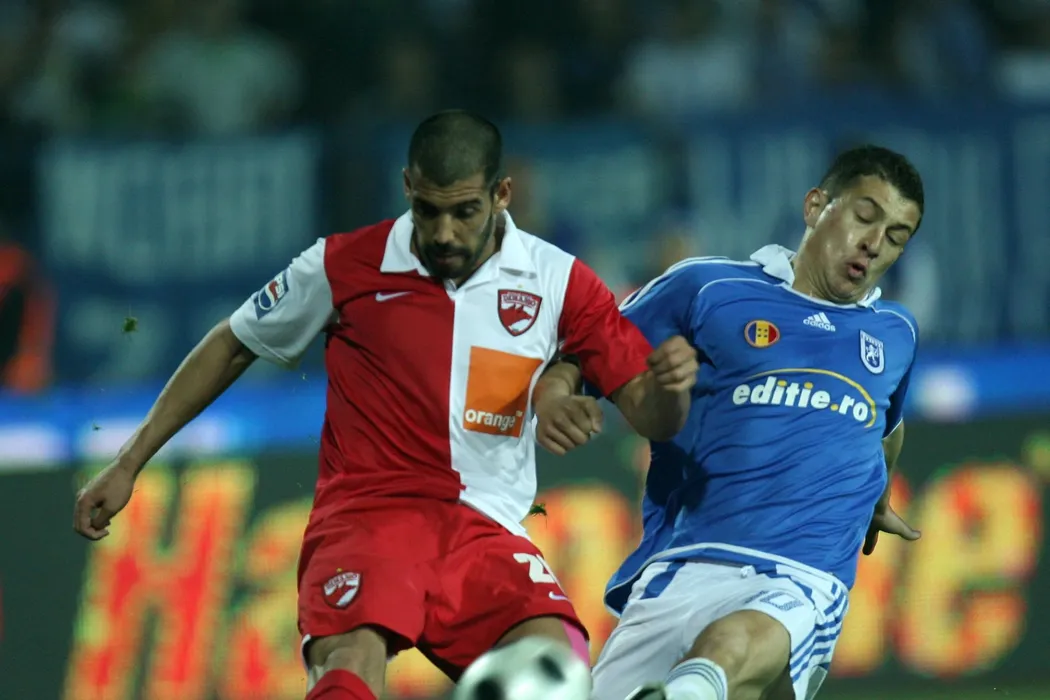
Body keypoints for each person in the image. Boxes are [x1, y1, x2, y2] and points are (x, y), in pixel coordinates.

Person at [71, 110, 699, 700]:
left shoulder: (560, 281)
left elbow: (648, 412)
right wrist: (129, 461)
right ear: (406, 187)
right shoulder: (343, 264)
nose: (444, 232)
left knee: (557, 669)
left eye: (464, 211)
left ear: (502, 194)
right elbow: (232, 344)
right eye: (428, 210)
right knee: (349, 665)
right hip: (368, 518)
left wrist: (669, 389)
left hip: (485, 531)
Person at [533, 145, 925, 700]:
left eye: (896, 236)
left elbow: (887, 426)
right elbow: (587, 349)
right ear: (815, 207)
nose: (874, 242)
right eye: (865, 216)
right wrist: (555, 394)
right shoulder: (708, 289)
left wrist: (877, 501)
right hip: (682, 567)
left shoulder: (894, 333)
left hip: (800, 578)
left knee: (727, 650)